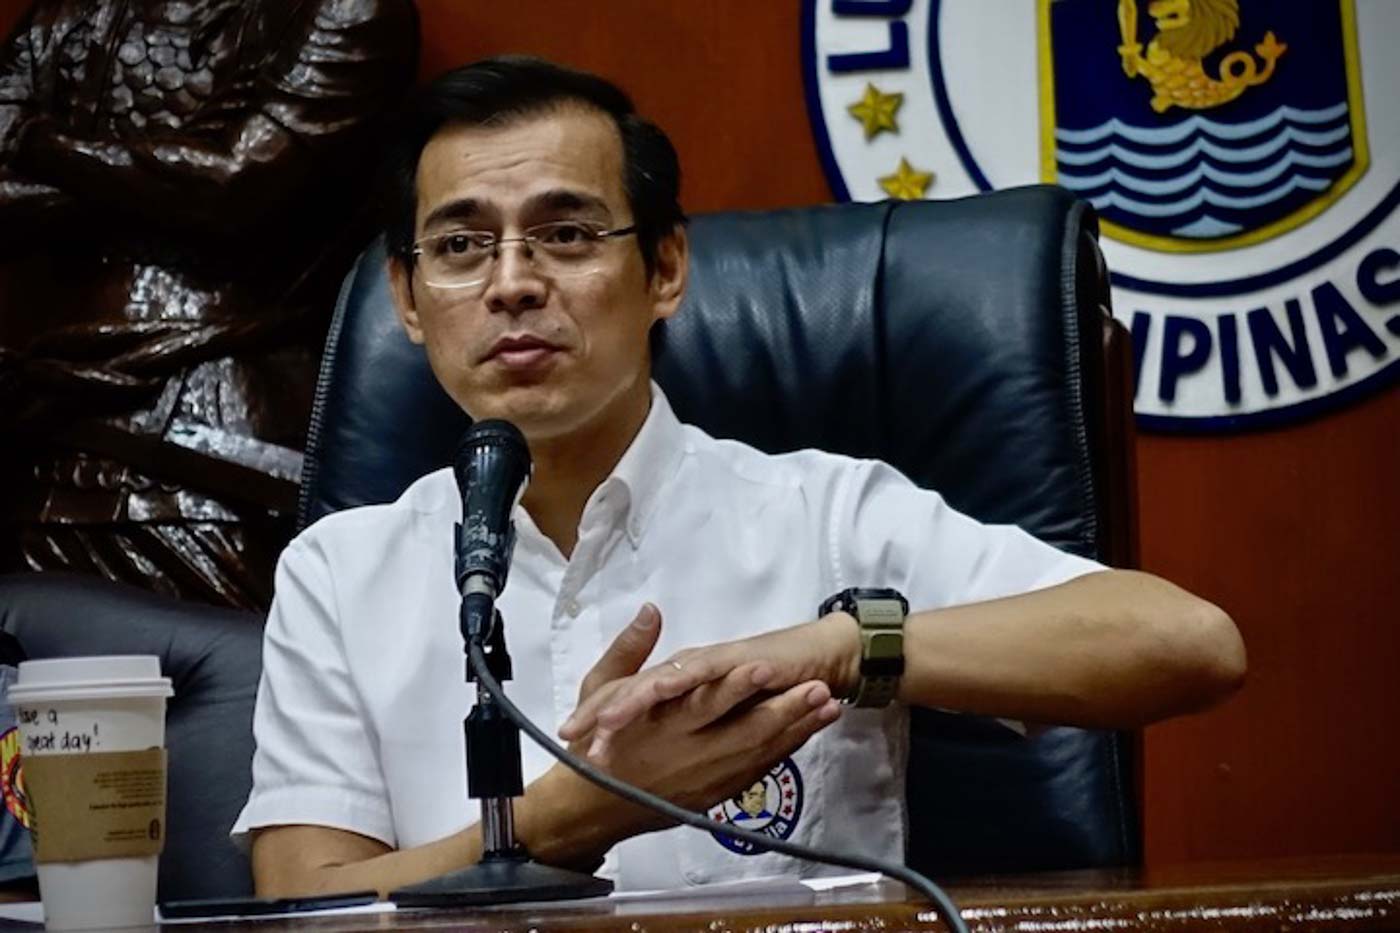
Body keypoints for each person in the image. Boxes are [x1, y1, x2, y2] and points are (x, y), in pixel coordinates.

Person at [233, 56, 1246, 898]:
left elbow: (1187, 644)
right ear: (409, 300)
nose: (510, 282)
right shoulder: (340, 570)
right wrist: (568, 817)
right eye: (459, 246)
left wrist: (843, 647)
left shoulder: (827, 517)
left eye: (566, 234)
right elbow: (298, 904)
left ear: (665, 268)